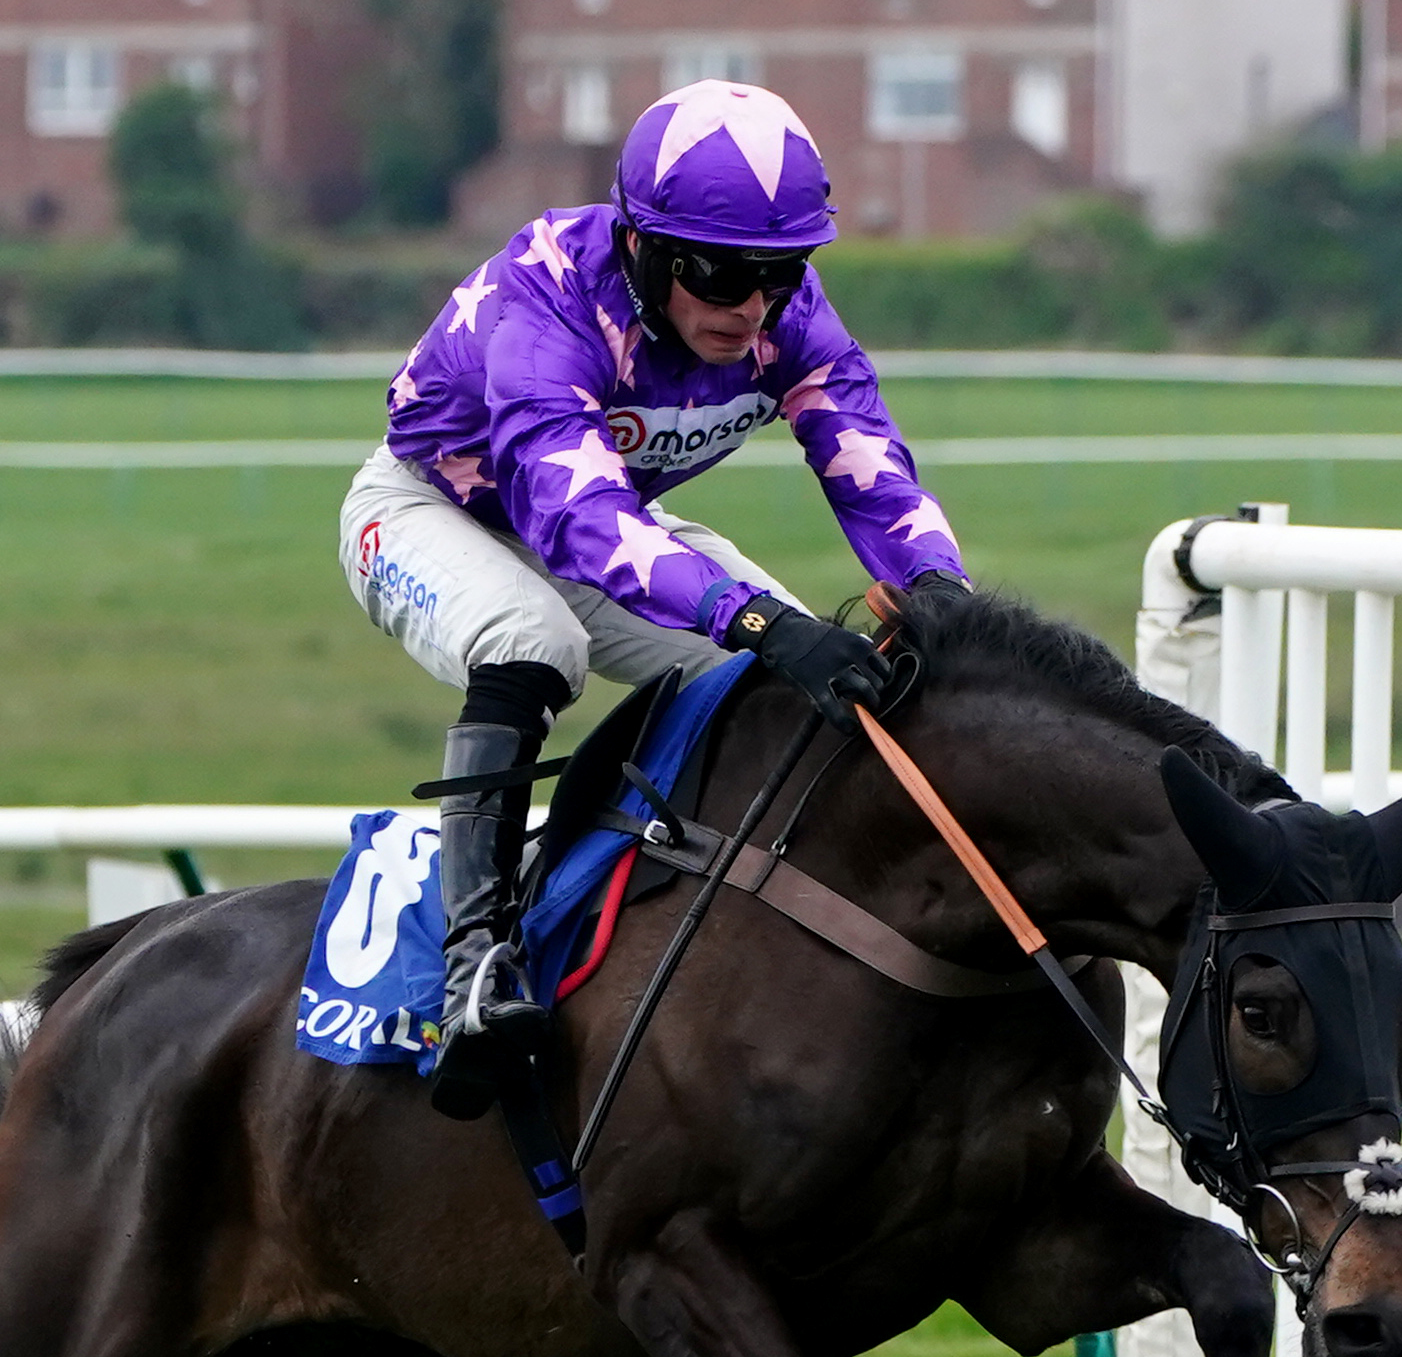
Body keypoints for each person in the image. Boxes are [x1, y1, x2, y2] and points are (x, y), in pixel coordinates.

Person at [340, 79, 968, 1114]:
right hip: (429, 512)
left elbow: (872, 472)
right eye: (720, 274)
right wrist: (759, 620)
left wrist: (944, 597)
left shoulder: (787, 317)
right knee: (536, 641)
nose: (751, 306)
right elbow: (580, 517)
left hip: (601, 522)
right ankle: (476, 967)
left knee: (788, 689)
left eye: (780, 272)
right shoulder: (544, 297)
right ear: (641, 247)